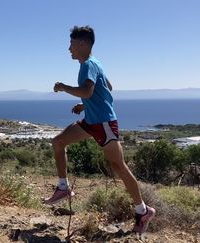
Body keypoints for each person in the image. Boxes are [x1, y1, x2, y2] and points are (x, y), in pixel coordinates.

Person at [43, 25, 155, 234]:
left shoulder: (88, 65)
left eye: (72, 44)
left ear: (83, 43)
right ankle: (63, 187)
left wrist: (63, 87)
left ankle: (143, 210)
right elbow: (107, 88)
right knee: (58, 142)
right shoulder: (95, 63)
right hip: (92, 121)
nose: (69, 48)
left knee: (119, 166)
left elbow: (87, 90)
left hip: (103, 123)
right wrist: (86, 106)